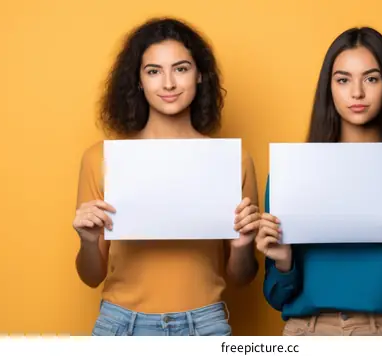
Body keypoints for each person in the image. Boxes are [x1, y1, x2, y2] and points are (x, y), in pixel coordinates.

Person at [72, 17, 260, 336]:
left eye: (181, 68)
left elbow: (242, 278)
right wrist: (89, 242)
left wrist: (243, 246)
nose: (168, 84)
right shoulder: (100, 158)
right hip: (121, 325)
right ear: (138, 81)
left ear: (200, 75)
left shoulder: (233, 160)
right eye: (154, 71)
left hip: (205, 324)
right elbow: (91, 276)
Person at [256, 27, 382, 336]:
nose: (357, 93)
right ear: (328, 88)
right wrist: (283, 263)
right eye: (343, 79)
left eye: (371, 78)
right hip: (309, 332)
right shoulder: (290, 174)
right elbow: (276, 296)